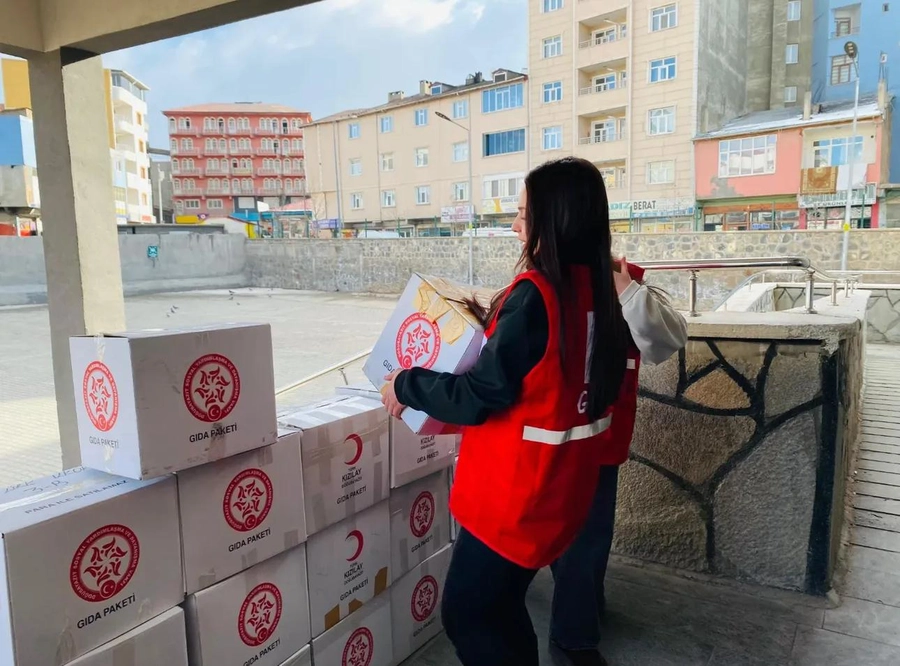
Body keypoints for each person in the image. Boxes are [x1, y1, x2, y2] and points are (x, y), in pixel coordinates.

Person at [381, 157, 631, 666]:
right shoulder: (601, 291)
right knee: (503, 605)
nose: (516, 226)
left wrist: (406, 384)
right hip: (562, 492)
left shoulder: (537, 296)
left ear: (554, 220)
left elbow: (480, 396)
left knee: (467, 614)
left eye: (523, 214)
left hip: (513, 500)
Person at [549, 263, 687, 666]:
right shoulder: (541, 280)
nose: (516, 231)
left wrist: (626, 290)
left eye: (524, 223)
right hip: (549, 437)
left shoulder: (617, 279)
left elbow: (667, 339)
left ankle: (575, 634)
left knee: (585, 537)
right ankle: (584, 611)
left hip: (596, 436)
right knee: (573, 538)